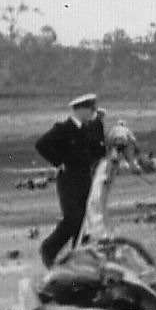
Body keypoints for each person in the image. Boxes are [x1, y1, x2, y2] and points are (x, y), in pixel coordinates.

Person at [33, 94, 109, 267]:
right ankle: (49, 248)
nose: (93, 112)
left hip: (84, 180)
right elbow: (41, 144)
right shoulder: (64, 128)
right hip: (68, 181)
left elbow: (98, 151)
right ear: (80, 109)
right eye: (91, 109)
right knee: (72, 218)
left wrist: (99, 124)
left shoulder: (87, 129)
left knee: (82, 220)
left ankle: (78, 256)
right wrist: (59, 162)